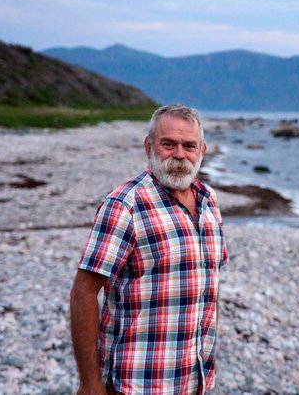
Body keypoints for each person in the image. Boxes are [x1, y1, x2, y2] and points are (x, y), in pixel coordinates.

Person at [70, 104, 228, 395]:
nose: (179, 154)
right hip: (137, 383)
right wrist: (89, 383)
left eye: (189, 145)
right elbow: (84, 291)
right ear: (148, 146)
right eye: (168, 144)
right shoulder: (125, 205)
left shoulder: (209, 201)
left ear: (202, 150)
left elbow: (206, 286)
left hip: (195, 381)